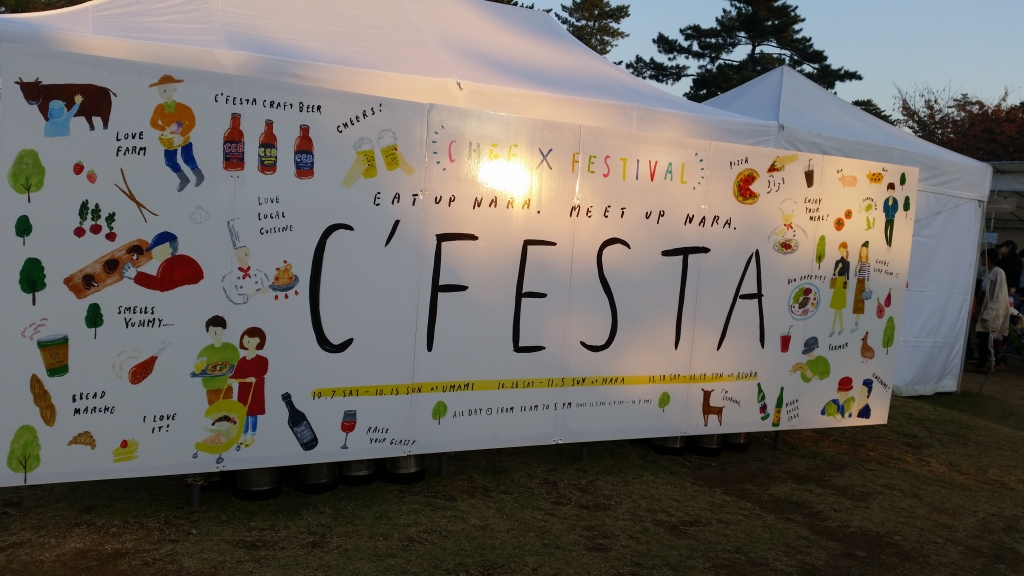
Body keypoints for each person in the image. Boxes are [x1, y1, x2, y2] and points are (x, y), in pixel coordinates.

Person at [149, 74, 204, 192]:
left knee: (187, 157)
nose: (163, 90)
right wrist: (165, 129)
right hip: (169, 139)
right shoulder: (159, 108)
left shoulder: (182, 107)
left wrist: (182, 135)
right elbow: (153, 122)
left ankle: (199, 175)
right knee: (169, 161)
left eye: (167, 87)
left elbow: (192, 122)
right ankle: (183, 178)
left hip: (183, 137)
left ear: (174, 88)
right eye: (161, 88)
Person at [121, 231, 204, 292]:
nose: (153, 252)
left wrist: (136, 275)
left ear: (169, 247)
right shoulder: (183, 259)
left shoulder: (168, 264)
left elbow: (160, 285)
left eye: (156, 248)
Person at [972, 248, 1010, 373]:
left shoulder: (998, 272)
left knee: (984, 337)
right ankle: (987, 363)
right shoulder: (989, 273)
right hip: (985, 308)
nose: (981, 259)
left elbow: (998, 296)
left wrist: (989, 312)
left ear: (987, 258)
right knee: (982, 337)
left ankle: (990, 363)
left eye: (983, 257)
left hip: (991, 309)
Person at [230, 327, 268, 448]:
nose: (248, 342)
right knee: (244, 413)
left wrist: (254, 377)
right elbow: (236, 373)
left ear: (259, 341)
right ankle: (244, 434)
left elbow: (263, 371)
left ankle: (253, 435)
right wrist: (232, 379)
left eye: (252, 339)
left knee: (253, 413)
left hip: (255, 390)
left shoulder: (263, 360)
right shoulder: (242, 361)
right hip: (243, 390)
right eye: (246, 340)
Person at [195, 316, 240, 405]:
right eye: (211, 329)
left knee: (227, 410)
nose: (215, 331)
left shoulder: (231, 348)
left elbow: (238, 365)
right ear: (208, 332)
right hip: (210, 388)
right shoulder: (204, 351)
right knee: (214, 412)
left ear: (223, 329)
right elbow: (197, 368)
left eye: (218, 328)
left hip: (226, 386)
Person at [829, 242, 850, 337]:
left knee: (838, 309)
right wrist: (838, 268)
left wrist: (847, 285)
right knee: (838, 309)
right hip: (837, 283)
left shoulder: (847, 262)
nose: (842, 251)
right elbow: (834, 273)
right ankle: (840, 328)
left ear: (846, 250)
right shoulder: (837, 262)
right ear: (839, 250)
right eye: (841, 249)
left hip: (843, 284)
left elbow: (848, 275)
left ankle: (833, 329)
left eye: (844, 250)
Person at [851, 241, 871, 334]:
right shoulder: (858, 264)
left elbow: (868, 276)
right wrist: (857, 269)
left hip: (863, 284)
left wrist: (867, 285)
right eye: (862, 251)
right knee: (856, 303)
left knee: (860, 304)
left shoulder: (867, 264)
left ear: (867, 252)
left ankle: (857, 324)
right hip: (858, 283)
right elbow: (855, 275)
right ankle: (855, 323)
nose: (863, 253)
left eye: (865, 251)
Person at [882, 184, 898, 251]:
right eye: (889, 190)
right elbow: (884, 209)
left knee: (891, 232)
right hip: (887, 218)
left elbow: (896, 208)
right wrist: (887, 208)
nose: (890, 191)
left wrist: (893, 212)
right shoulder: (886, 200)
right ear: (887, 190)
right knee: (885, 231)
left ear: (894, 191)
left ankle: (890, 246)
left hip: (892, 218)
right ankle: (887, 243)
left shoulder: (895, 200)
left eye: (891, 190)